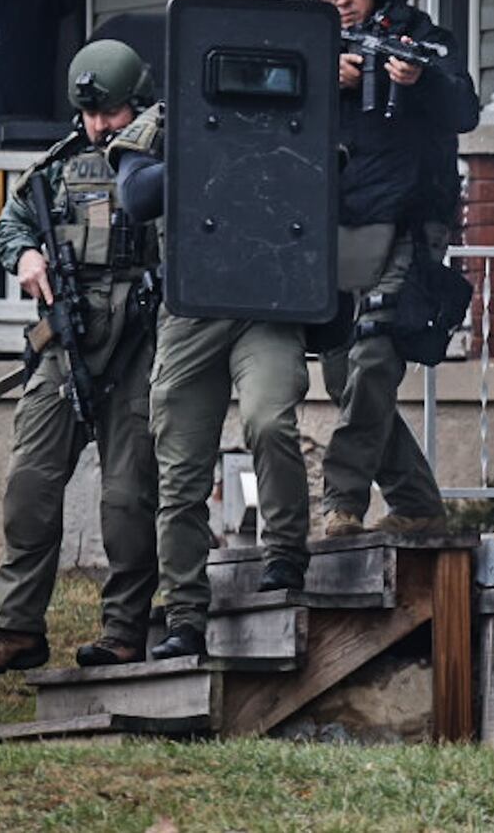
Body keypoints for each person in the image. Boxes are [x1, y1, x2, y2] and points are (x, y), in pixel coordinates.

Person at [0, 40, 161, 674]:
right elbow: (11, 222)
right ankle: (17, 629)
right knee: (29, 487)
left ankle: (126, 631)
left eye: (113, 114)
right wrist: (25, 256)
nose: (101, 127)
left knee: (128, 498)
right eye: (92, 115)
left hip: (141, 343)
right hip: (65, 344)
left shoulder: (162, 159)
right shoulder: (58, 167)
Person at [109, 103, 313, 660]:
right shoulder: (167, 111)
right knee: (180, 469)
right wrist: (219, 154)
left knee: (268, 419)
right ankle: (184, 615)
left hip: (268, 299)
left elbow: (327, 170)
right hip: (192, 306)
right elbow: (138, 193)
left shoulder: (295, 90)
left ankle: (286, 554)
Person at [302, 0, 481, 539]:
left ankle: (342, 501)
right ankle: (418, 506)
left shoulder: (419, 35)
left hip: (405, 215)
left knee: (375, 357)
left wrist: (418, 79)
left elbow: (464, 108)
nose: (340, 4)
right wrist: (329, 79)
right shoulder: (309, 45)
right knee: (338, 370)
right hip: (332, 221)